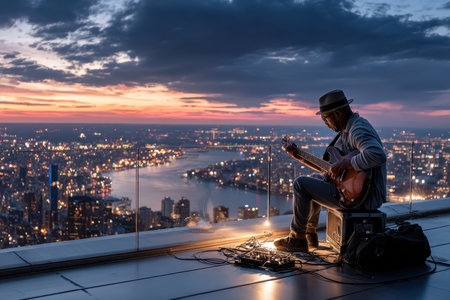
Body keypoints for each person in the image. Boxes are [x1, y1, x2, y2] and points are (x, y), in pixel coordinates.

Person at [274, 89, 387, 252]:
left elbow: (377, 155)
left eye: (325, 118)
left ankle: (297, 238)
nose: (325, 123)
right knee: (314, 178)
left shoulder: (357, 129)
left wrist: (346, 164)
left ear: (338, 114)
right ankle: (309, 234)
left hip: (363, 199)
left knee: (300, 184)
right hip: (357, 194)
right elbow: (332, 170)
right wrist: (299, 156)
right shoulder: (347, 131)